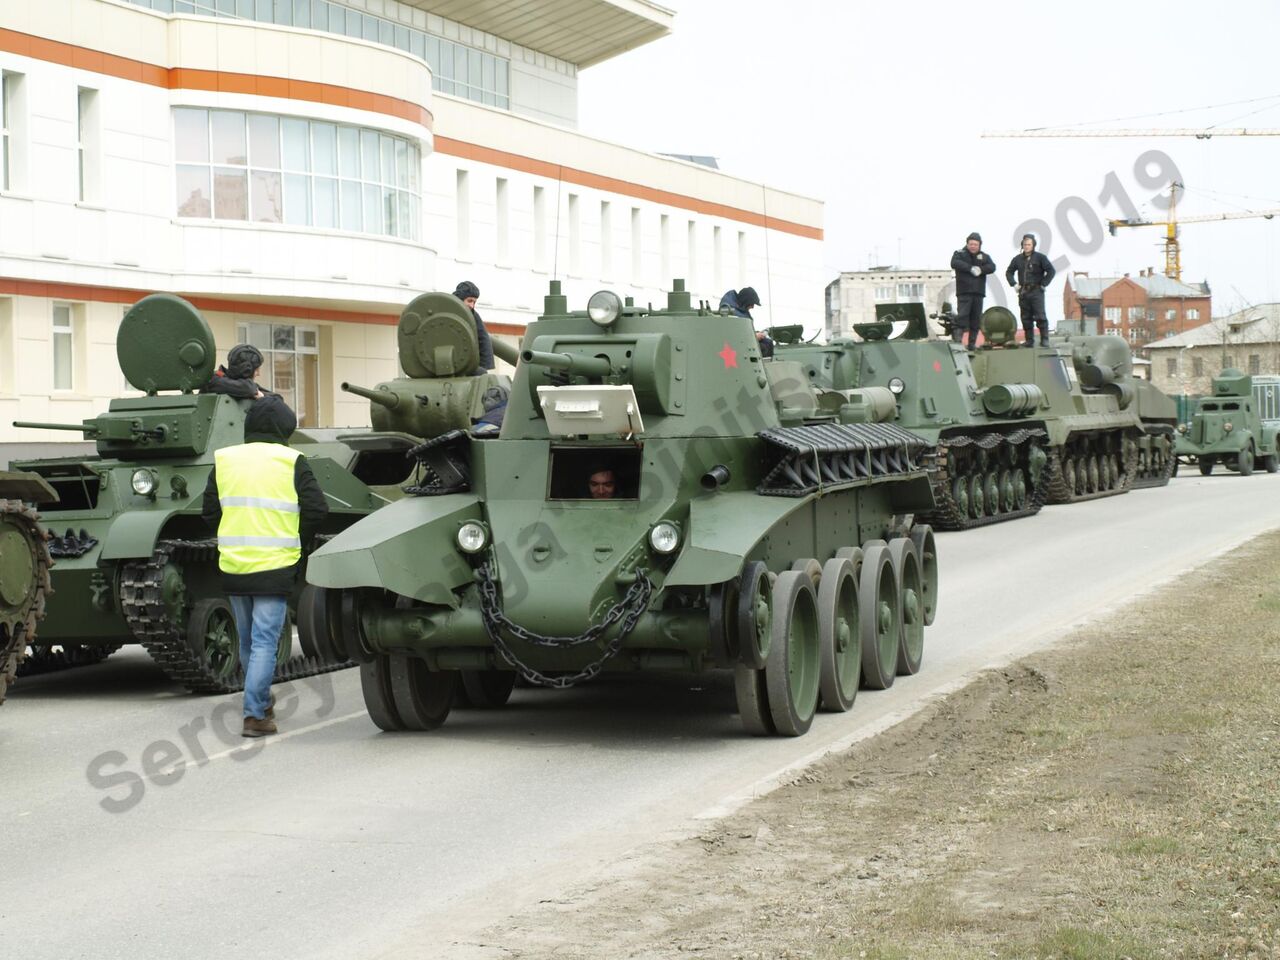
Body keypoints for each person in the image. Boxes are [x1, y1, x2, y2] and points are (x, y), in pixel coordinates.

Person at [201, 396, 328, 737]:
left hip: (236, 563)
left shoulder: (224, 460)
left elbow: (210, 513)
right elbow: (318, 509)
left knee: (248, 641)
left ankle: (259, 699)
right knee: (264, 643)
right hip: (275, 564)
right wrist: (295, 537)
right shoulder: (291, 460)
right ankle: (255, 715)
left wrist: (236, 534)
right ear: (284, 429)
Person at [1005, 233, 1056, 347]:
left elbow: (1051, 271)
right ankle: (1029, 341)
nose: (1027, 246)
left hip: (1037, 291)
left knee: (1040, 316)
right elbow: (1009, 272)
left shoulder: (1040, 258)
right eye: (1025, 244)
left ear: (1033, 245)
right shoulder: (1017, 259)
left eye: (1029, 244)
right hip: (1023, 292)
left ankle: (1044, 339)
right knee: (1026, 318)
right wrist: (1014, 284)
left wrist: (1044, 283)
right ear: (1022, 245)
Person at [950, 232, 995, 350]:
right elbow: (954, 263)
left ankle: (972, 344)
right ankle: (958, 342)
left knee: (976, 319)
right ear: (967, 244)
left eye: (976, 244)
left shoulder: (984, 256)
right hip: (964, 291)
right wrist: (970, 268)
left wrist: (981, 269)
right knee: (962, 317)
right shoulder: (960, 254)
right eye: (971, 244)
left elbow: (992, 267)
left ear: (979, 245)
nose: (973, 246)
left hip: (978, 292)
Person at [202, 344, 276, 399]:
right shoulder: (213, 380)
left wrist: (262, 396)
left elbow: (277, 398)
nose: (258, 374)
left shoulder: (242, 383)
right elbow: (248, 388)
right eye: (256, 370)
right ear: (246, 371)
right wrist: (257, 394)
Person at [453, 281, 494, 374]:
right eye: (469, 301)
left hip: (465, 362)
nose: (472, 305)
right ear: (460, 298)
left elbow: (483, 339)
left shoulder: (473, 316)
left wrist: (483, 366)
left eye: (474, 302)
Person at [719, 287, 773, 357]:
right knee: (763, 347)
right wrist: (755, 337)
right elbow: (735, 336)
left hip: (746, 339)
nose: (752, 307)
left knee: (768, 342)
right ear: (746, 302)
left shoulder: (741, 310)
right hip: (737, 346)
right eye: (752, 304)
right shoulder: (731, 313)